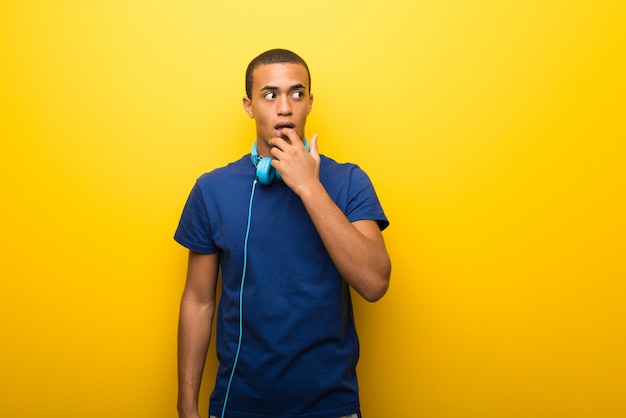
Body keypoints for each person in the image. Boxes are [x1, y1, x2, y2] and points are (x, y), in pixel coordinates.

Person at [175, 48, 391, 418]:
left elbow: (374, 283)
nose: (285, 108)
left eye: (296, 93)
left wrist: (310, 187)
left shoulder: (350, 181)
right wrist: (186, 406)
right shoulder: (212, 190)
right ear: (249, 105)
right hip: (238, 406)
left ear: (309, 102)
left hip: (330, 407)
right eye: (270, 95)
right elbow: (198, 302)